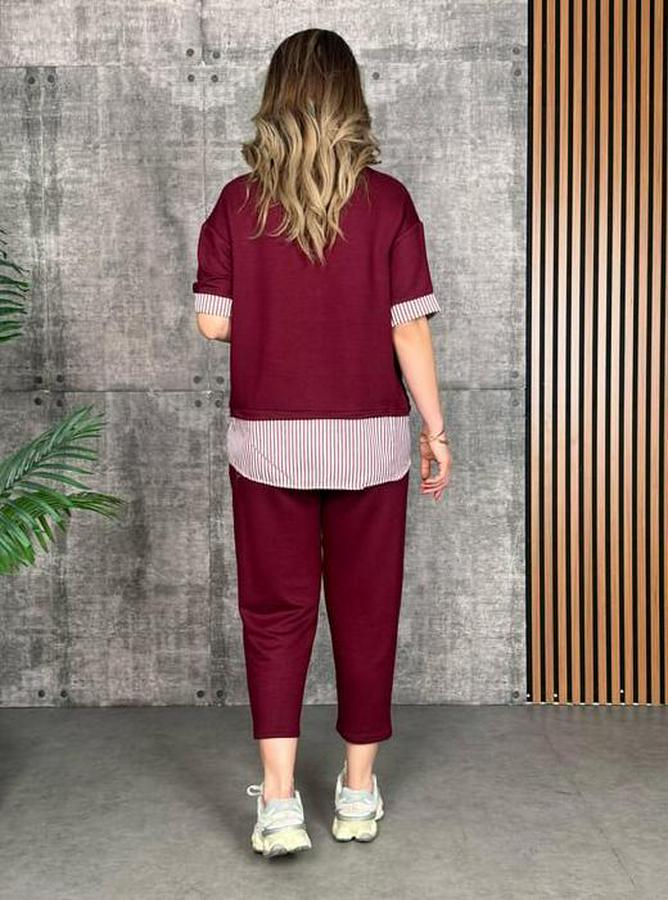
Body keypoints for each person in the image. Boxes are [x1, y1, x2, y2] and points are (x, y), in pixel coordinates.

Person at [192, 28, 451, 858]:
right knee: (367, 612)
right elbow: (408, 329)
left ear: (275, 100)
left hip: (266, 444)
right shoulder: (390, 202)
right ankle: (358, 794)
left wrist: (279, 318)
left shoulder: (237, 203)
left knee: (275, 615)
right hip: (371, 443)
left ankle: (277, 805)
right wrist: (435, 428)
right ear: (351, 100)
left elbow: (212, 323)